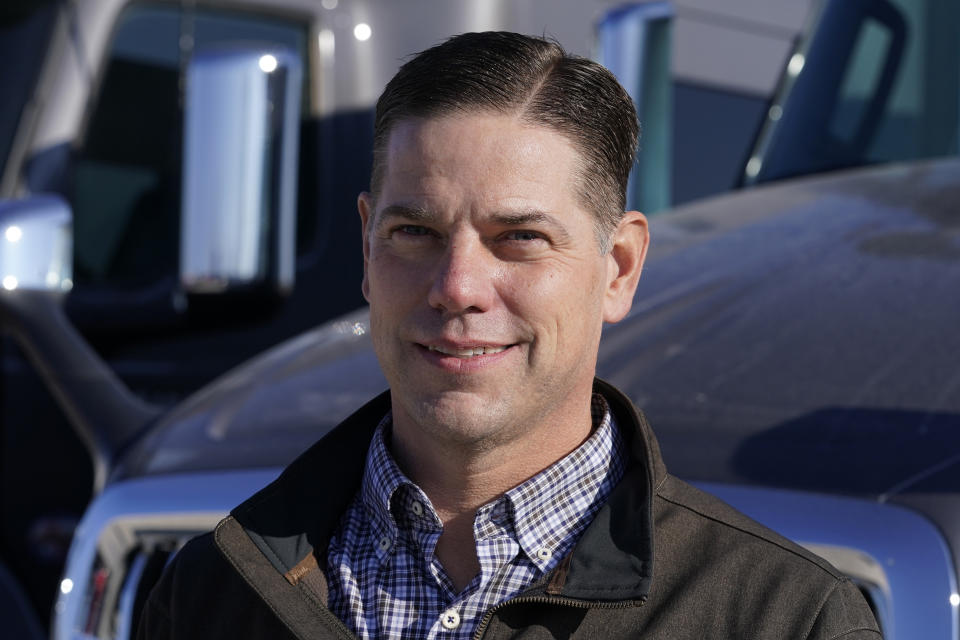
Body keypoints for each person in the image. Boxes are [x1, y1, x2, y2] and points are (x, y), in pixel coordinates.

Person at [138, 32, 881, 639]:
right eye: (415, 232)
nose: (457, 286)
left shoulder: (782, 621)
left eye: (519, 237)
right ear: (367, 249)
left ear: (618, 267)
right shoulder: (213, 595)